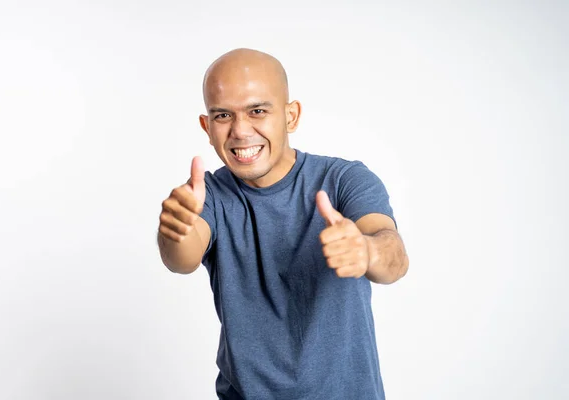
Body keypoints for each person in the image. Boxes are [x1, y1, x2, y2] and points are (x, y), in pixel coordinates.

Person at [157, 48, 409, 400]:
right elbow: (181, 259)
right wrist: (174, 230)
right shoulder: (206, 195)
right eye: (223, 115)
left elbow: (392, 254)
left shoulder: (345, 180)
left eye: (257, 111)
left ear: (291, 117)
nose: (240, 131)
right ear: (207, 126)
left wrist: (366, 251)